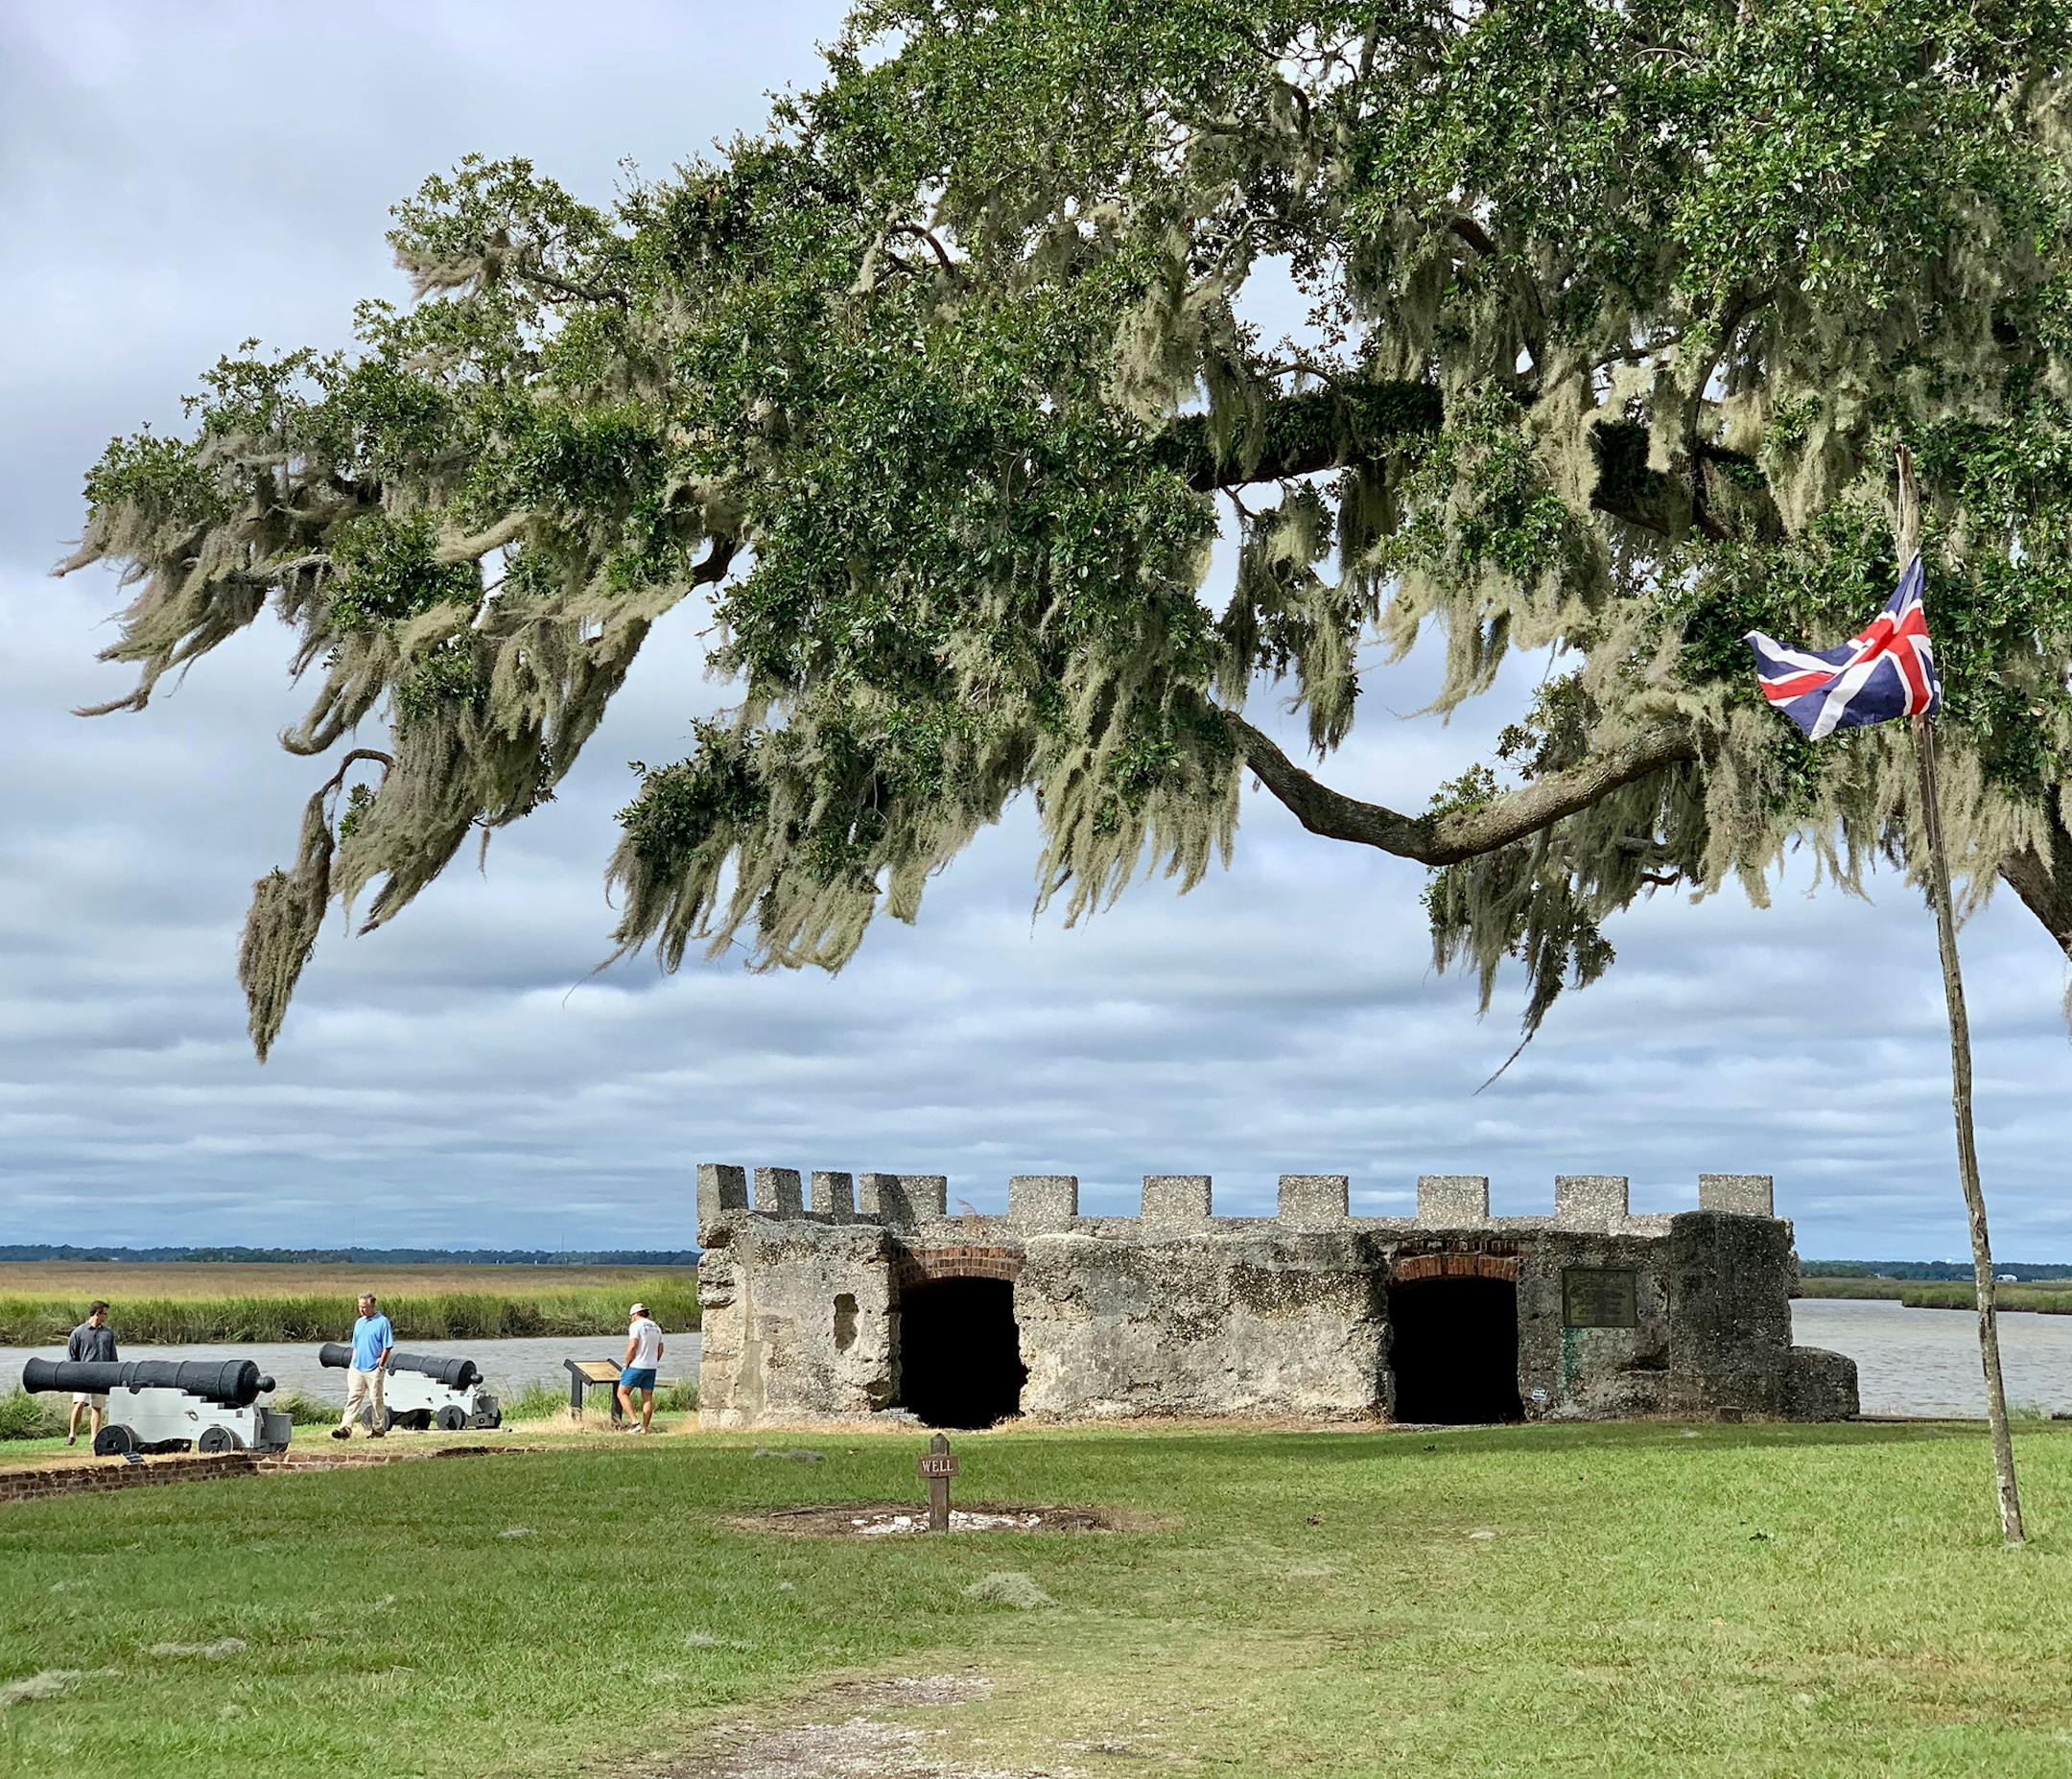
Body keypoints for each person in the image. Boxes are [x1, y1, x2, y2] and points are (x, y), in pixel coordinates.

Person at [333, 1292, 393, 1440]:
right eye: (360, 1307)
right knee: (353, 1397)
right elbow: (356, 1346)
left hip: (374, 1368)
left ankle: (378, 1429)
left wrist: (380, 1365)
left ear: (372, 1306)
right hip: (357, 1367)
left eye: (365, 1307)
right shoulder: (359, 1322)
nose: (362, 1310)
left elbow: (388, 1346)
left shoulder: (382, 1322)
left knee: (375, 1398)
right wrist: (352, 1365)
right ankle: (345, 1428)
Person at [63, 1300, 117, 1446]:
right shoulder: (78, 1332)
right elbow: (71, 1357)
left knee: (97, 1407)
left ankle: (94, 1439)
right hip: (82, 1375)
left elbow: (113, 1357)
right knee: (79, 1403)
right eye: (105, 1314)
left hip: (101, 1376)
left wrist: (112, 1374)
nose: (106, 1317)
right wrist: (73, 1374)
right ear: (97, 1313)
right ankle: (72, 1435)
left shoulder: (108, 1334)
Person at [615, 1301, 665, 1433]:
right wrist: (655, 1361)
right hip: (651, 1367)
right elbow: (660, 1348)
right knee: (647, 1397)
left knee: (622, 1393)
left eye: (631, 1316)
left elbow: (633, 1346)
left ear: (636, 1314)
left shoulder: (636, 1326)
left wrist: (627, 1363)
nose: (631, 1319)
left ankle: (634, 1422)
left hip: (637, 1365)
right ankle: (645, 1427)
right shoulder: (656, 1327)